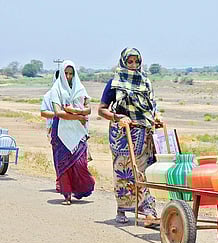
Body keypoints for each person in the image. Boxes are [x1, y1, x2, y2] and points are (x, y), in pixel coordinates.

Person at [98, 47, 161, 225]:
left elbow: (151, 107)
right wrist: (119, 117)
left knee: (145, 173)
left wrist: (156, 117)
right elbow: (101, 110)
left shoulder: (146, 82)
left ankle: (148, 211)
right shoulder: (114, 83)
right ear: (124, 62)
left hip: (145, 134)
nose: (133, 65)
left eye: (136, 61)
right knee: (124, 173)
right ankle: (122, 209)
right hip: (123, 135)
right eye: (130, 61)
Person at [49, 60, 95, 205]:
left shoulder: (80, 88)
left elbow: (88, 108)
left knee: (80, 163)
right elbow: (58, 112)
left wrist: (78, 111)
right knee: (63, 163)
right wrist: (78, 117)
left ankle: (81, 189)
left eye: (71, 74)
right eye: (66, 74)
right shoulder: (56, 89)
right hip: (61, 130)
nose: (68, 77)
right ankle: (67, 194)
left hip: (78, 131)